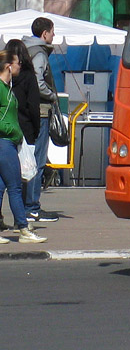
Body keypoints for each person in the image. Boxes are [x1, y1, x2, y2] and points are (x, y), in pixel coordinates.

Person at [0, 48, 47, 243]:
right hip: (5, 142)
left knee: (1, 186)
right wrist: (14, 132)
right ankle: (23, 228)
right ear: (9, 66)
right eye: (17, 63)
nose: (20, 65)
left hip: (9, 141)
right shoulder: (1, 89)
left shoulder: (7, 88)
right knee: (15, 186)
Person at [22, 16, 59, 223]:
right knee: (37, 160)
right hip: (40, 112)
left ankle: (27, 206)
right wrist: (52, 95)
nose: (54, 36)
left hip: (26, 112)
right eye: (53, 32)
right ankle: (32, 207)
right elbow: (38, 81)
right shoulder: (40, 54)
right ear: (44, 34)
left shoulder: (24, 49)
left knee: (28, 159)